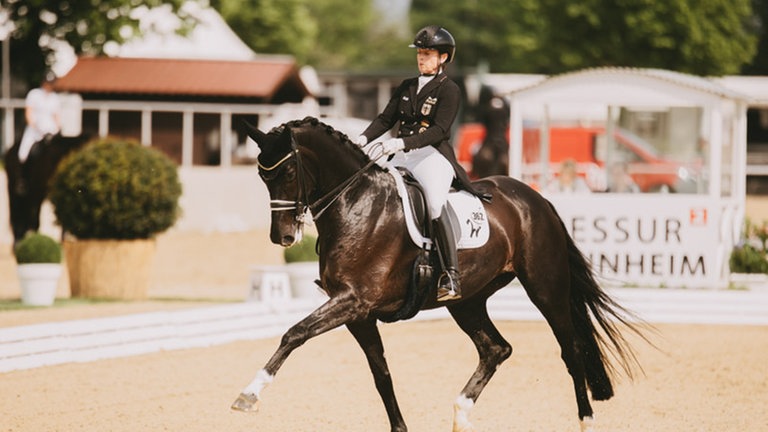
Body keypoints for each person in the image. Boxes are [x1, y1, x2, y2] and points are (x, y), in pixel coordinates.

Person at [355, 25, 487, 301]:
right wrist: (362, 139)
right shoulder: (407, 86)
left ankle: (451, 274)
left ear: (443, 58)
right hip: (401, 154)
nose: (421, 58)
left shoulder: (450, 90)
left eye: (428, 54)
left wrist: (401, 143)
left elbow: (440, 130)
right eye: (420, 53)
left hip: (432, 156)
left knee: (436, 204)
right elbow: (385, 119)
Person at [18, 74, 62, 164]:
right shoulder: (34, 94)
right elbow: (28, 113)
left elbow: (56, 116)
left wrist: (58, 128)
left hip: (50, 130)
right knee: (23, 153)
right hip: (35, 129)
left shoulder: (55, 98)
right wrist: (34, 126)